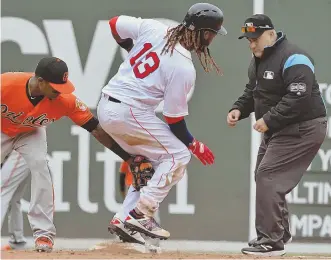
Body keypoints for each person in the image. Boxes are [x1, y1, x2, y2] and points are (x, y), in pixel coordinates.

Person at [98, 2, 226, 242]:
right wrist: (193, 144)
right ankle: (140, 213)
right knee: (179, 155)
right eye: (211, 34)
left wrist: (131, 50)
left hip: (108, 104)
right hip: (129, 112)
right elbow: (174, 119)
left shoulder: (154, 29)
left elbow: (114, 23)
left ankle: (124, 218)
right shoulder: (183, 67)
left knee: (152, 163)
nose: (211, 39)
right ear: (201, 32)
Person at [1, 57, 153, 252]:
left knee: (41, 168)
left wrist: (128, 157)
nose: (60, 91)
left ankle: (44, 234)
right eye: (55, 87)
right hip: (2, 130)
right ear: (40, 81)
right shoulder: (6, 84)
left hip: (31, 132)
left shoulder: (64, 100)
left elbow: (96, 129)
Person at [227, 14, 327, 256]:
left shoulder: (295, 58)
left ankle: (271, 241)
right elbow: (253, 91)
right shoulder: (258, 59)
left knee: (268, 176)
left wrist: (268, 120)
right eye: (248, 40)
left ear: (271, 34)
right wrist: (238, 109)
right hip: (280, 129)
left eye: (255, 38)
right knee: (264, 175)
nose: (251, 44)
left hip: (303, 127)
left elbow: (298, 97)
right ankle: (278, 232)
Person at [108, 161, 161, 246]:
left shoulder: (130, 159)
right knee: (150, 216)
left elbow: (122, 177)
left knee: (127, 216)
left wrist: (124, 195)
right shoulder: (145, 159)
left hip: (140, 190)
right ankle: (154, 244)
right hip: (141, 190)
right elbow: (122, 176)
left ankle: (120, 241)